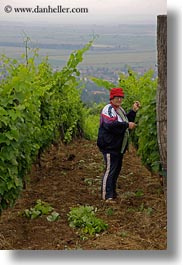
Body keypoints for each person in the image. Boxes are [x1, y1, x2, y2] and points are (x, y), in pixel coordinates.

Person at [97, 87, 140, 203]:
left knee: (115, 170)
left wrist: (133, 111)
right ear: (112, 98)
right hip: (109, 146)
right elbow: (110, 125)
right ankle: (106, 196)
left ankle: (112, 193)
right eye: (117, 97)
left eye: (121, 97)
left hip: (117, 146)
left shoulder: (119, 110)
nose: (119, 100)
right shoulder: (108, 109)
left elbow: (125, 121)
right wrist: (127, 125)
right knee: (110, 169)